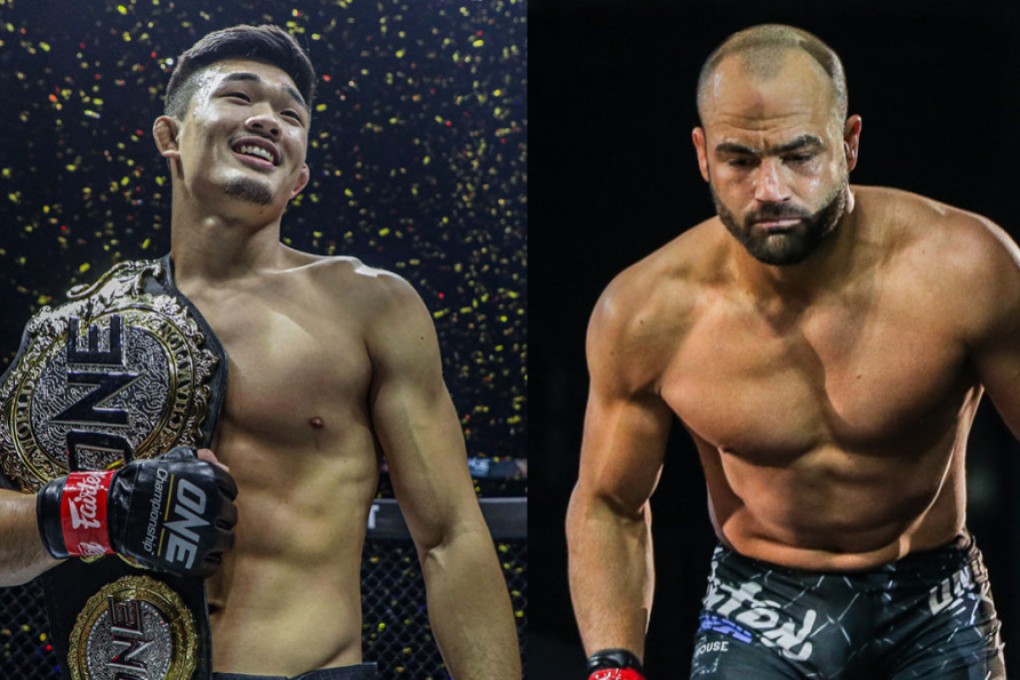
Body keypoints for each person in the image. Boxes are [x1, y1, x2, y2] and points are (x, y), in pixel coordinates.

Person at [0, 24, 521, 679]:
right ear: (170, 136)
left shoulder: (370, 306)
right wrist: (99, 508)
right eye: (240, 97)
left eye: (290, 114)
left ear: (300, 174)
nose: (268, 119)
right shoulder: (84, 327)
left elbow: (451, 539)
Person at [566, 23, 1019, 680]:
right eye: (740, 161)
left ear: (850, 143)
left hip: (934, 595)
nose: (771, 189)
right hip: (760, 606)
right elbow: (608, 503)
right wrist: (613, 667)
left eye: (799, 155)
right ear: (702, 155)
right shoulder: (645, 312)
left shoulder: (968, 269)